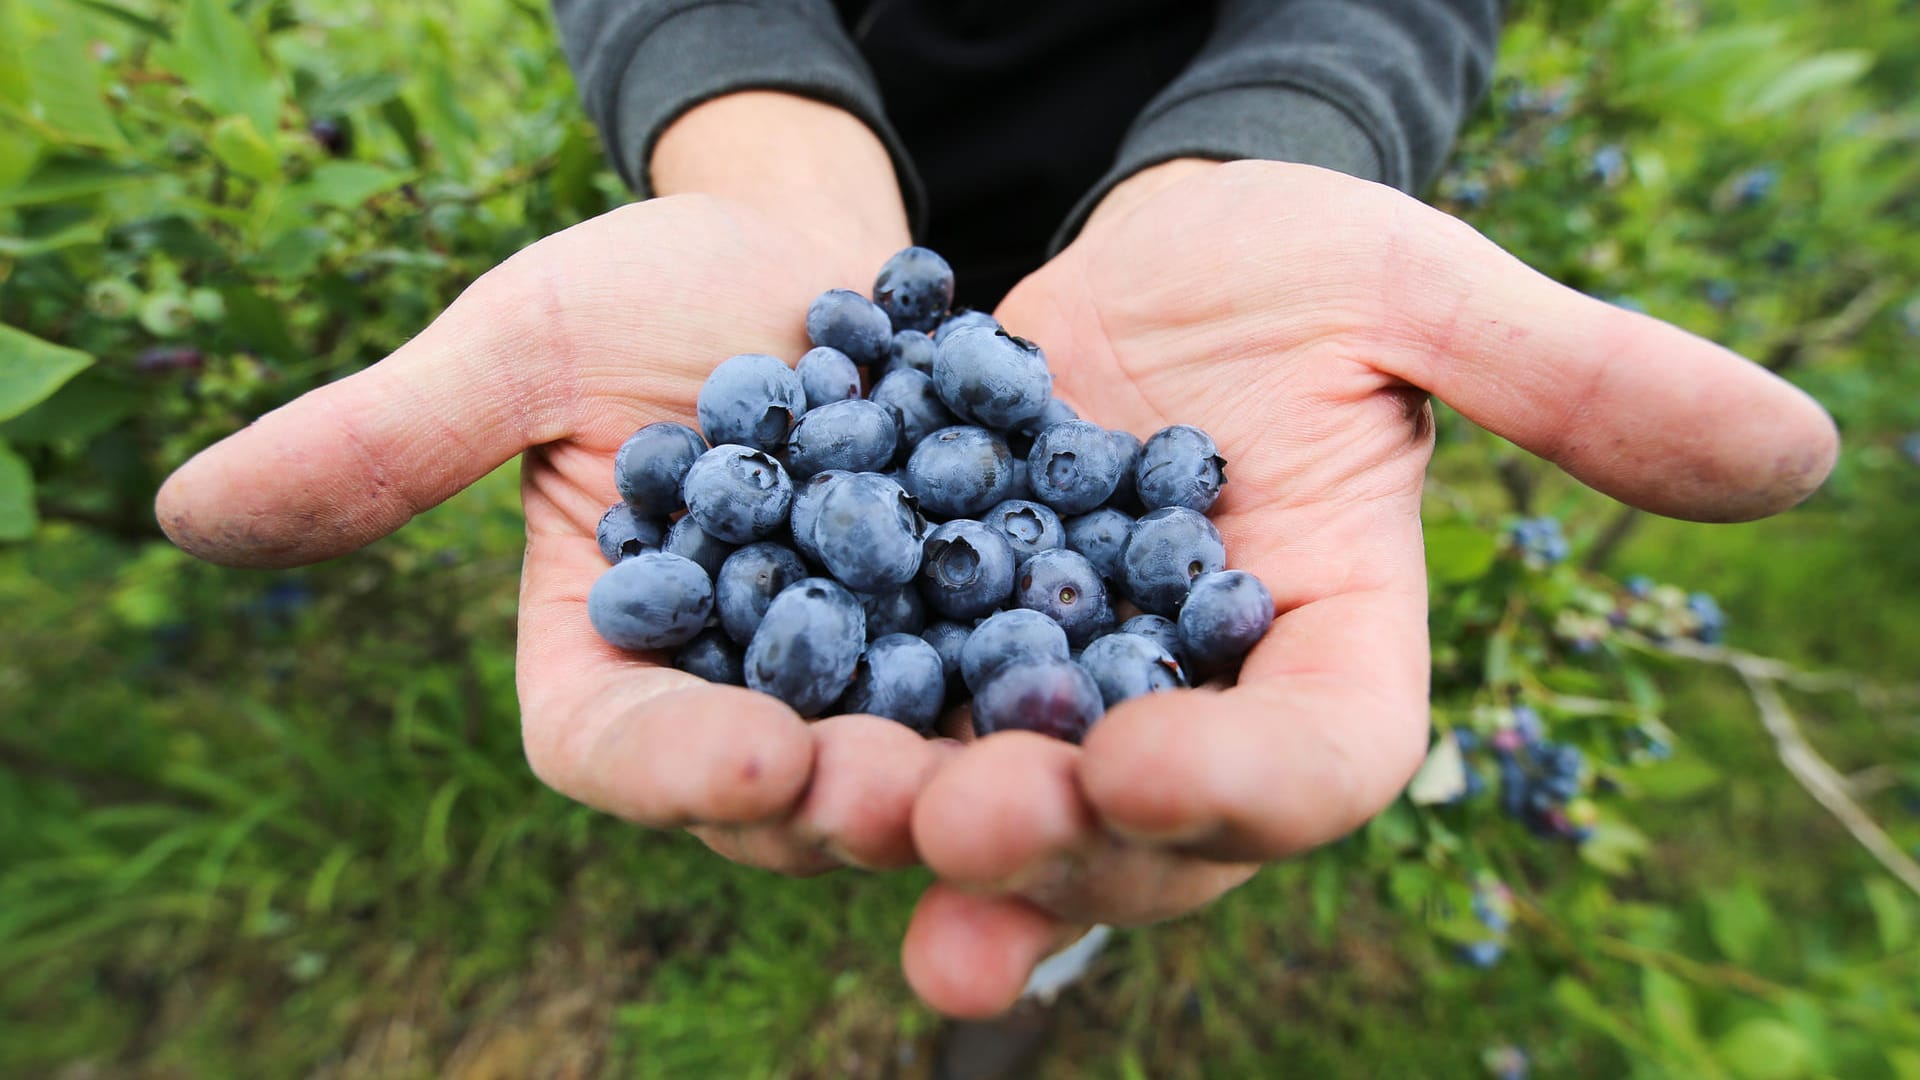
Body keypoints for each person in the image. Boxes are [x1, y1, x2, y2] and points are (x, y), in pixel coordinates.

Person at [153, 0, 1839, 1068]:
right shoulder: (824, 447)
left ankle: (1041, 959)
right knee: (952, 731)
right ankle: (1012, 951)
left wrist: (1295, 125)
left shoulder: (1069, 493)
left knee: (1105, 774)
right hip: (794, 208)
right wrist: (746, 130)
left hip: (1200, 254)